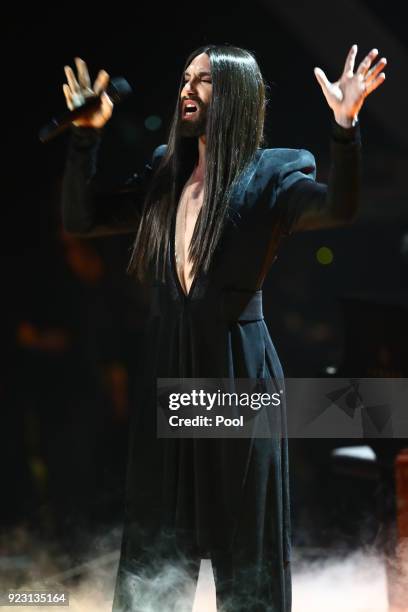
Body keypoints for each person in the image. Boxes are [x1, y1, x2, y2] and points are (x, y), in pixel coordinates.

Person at [60, 44, 386, 611]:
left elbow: (339, 209)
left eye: (204, 81)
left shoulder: (274, 173)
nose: (187, 89)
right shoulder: (166, 172)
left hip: (237, 374)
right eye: (185, 78)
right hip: (170, 368)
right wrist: (85, 138)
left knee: (245, 550)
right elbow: (80, 219)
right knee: (156, 544)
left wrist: (345, 128)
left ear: (234, 95)